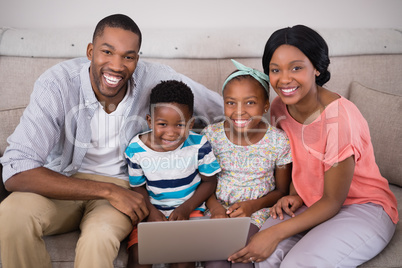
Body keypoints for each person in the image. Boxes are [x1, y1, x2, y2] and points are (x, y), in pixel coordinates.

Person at [0, 14, 223, 268]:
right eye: (107, 52)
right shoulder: (57, 84)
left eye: (128, 56)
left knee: (99, 237)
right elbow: (16, 170)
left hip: (120, 189)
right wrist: (107, 191)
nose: (117, 65)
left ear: (137, 59)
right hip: (62, 181)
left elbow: (222, 109)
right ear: (90, 51)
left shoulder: (156, 78)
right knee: (10, 217)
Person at [228, 25, 399, 268]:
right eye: (275, 70)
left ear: (317, 68)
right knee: (264, 259)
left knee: (297, 263)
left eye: (296, 68)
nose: (284, 79)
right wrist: (295, 194)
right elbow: (294, 157)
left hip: (361, 207)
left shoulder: (340, 119)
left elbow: (332, 200)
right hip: (310, 202)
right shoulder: (279, 107)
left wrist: (274, 232)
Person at [201, 59, 292, 268]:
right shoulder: (210, 136)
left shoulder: (278, 141)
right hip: (217, 211)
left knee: (243, 259)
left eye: (250, 102)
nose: (239, 111)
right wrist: (215, 209)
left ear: (266, 105)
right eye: (231, 102)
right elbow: (202, 182)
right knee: (215, 262)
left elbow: (282, 190)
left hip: (256, 213)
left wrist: (253, 206)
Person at [124, 80, 220, 268]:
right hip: (152, 213)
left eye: (180, 125)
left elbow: (210, 182)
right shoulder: (136, 149)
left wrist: (186, 208)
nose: (171, 133)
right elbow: (137, 187)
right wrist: (151, 212)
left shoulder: (199, 145)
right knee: (138, 257)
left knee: (183, 261)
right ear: (150, 120)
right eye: (162, 124)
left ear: (191, 122)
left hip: (189, 213)